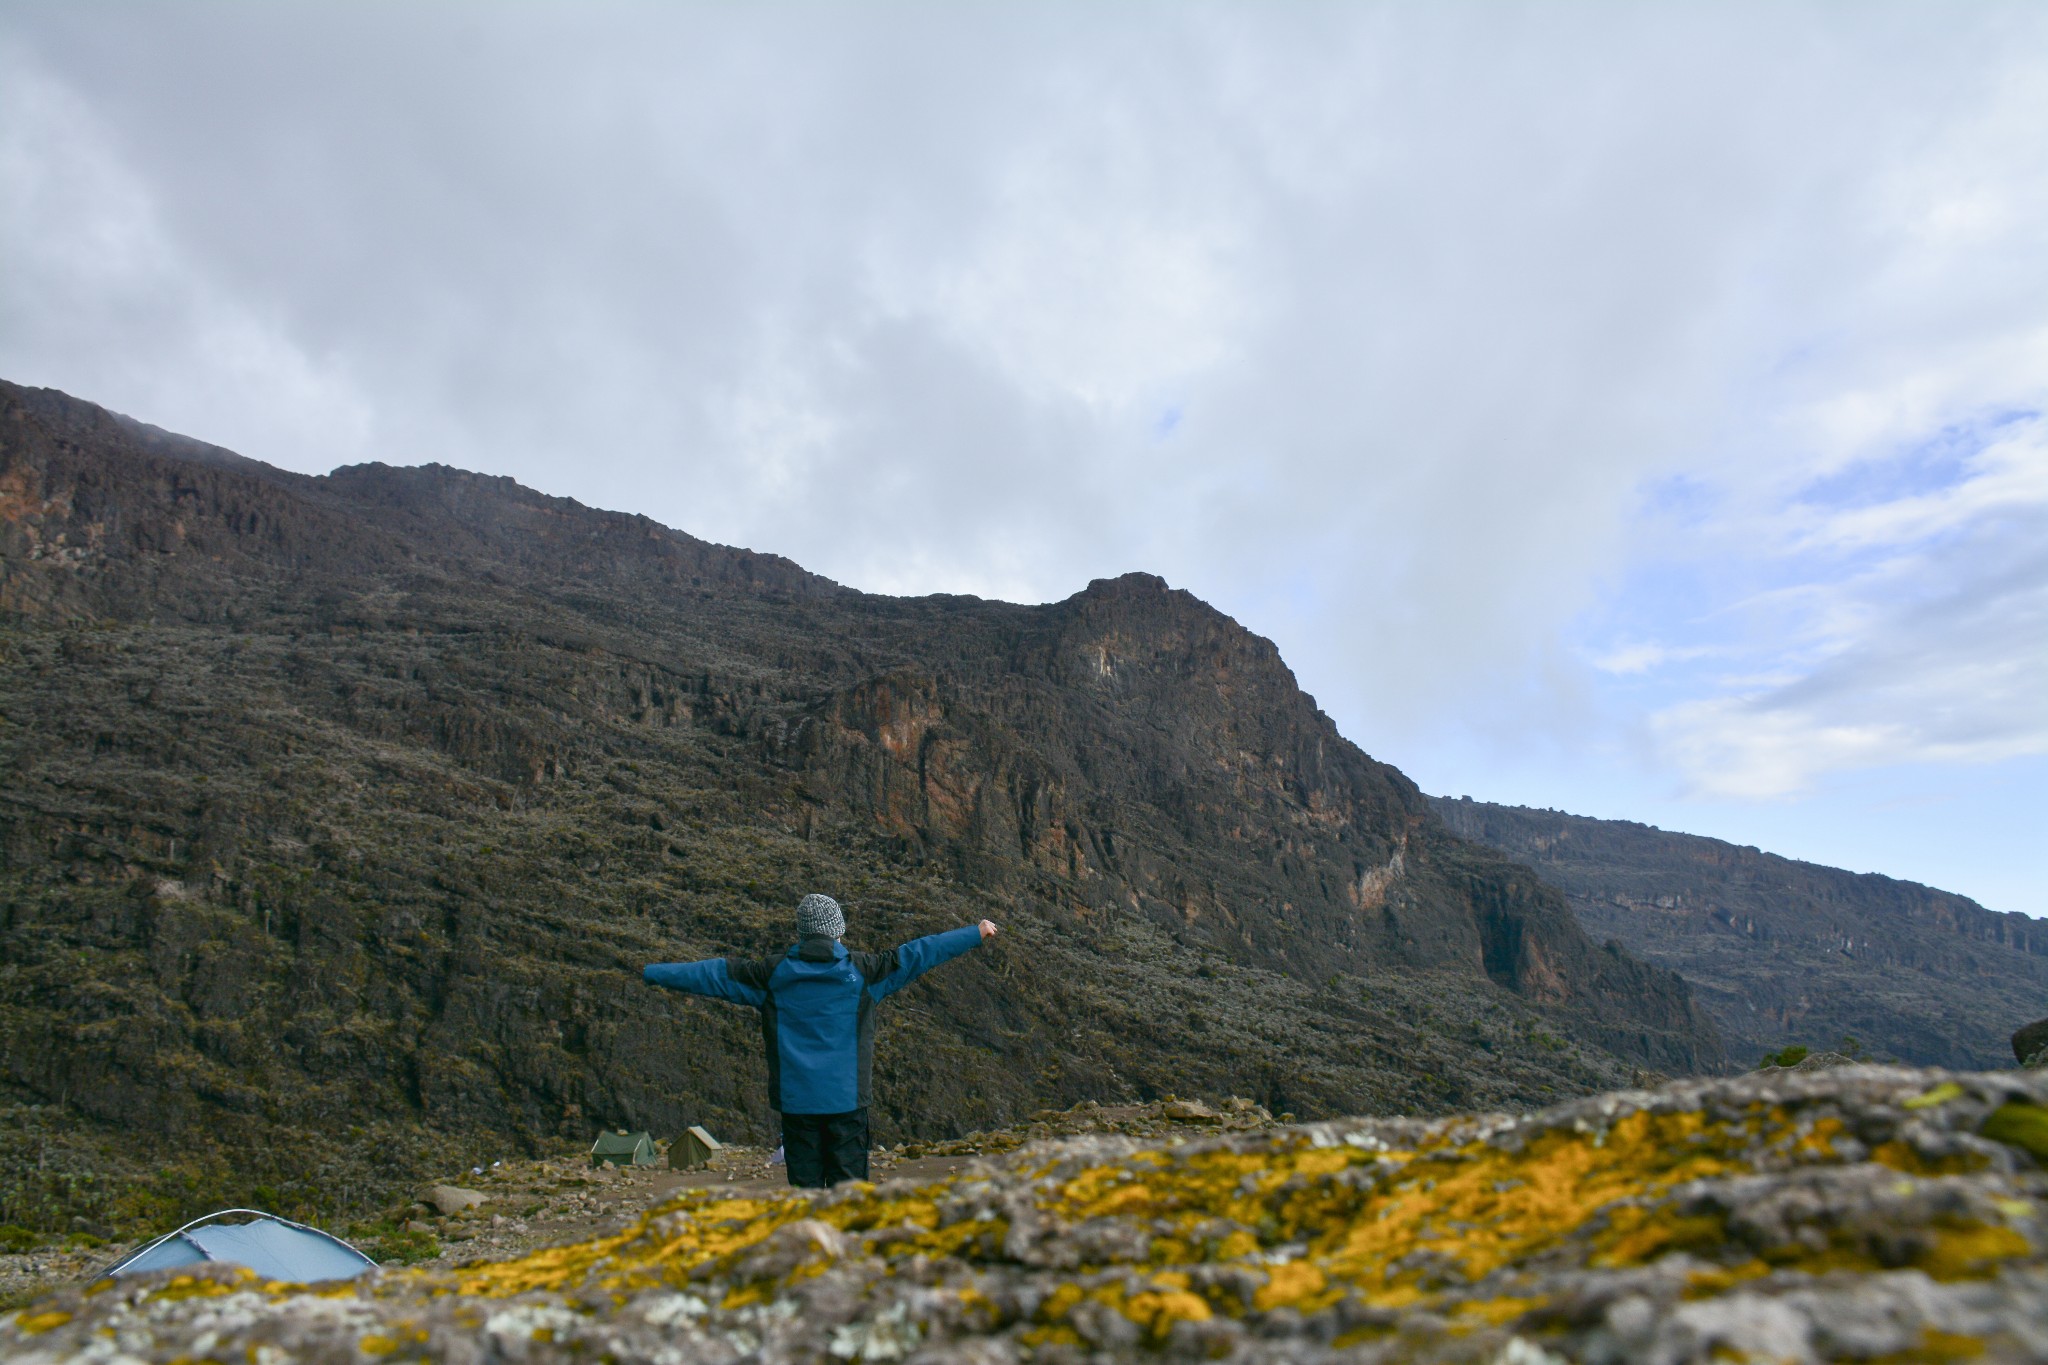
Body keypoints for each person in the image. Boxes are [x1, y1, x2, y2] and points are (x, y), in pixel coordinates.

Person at [643, 893, 998, 1188]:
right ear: (838, 932)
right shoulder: (865, 972)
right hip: (847, 1104)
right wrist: (974, 932)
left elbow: (707, 974)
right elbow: (922, 952)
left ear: (802, 933)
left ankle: (810, 1260)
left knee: (807, 1196)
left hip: (797, 1107)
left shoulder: (769, 975)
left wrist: (652, 972)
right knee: (850, 1197)